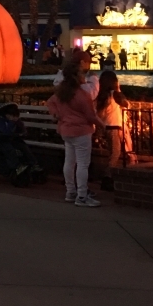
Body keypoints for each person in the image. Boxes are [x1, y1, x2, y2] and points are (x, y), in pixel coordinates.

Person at [46, 62, 103, 207]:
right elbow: (90, 115)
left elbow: (50, 102)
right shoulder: (82, 95)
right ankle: (82, 196)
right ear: (77, 76)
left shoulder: (61, 92)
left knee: (69, 161)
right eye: (82, 73)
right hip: (81, 131)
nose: (84, 76)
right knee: (83, 164)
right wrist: (102, 125)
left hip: (66, 130)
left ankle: (70, 191)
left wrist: (56, 114)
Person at [96, 70, 135, 191]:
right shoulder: (114, 94)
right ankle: (107, 178)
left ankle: (108, 177)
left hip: (106, 127)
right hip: (114, 127)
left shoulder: (102, 95)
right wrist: (119, 90)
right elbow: (126, 104)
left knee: (113, 152)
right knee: (115, 153)